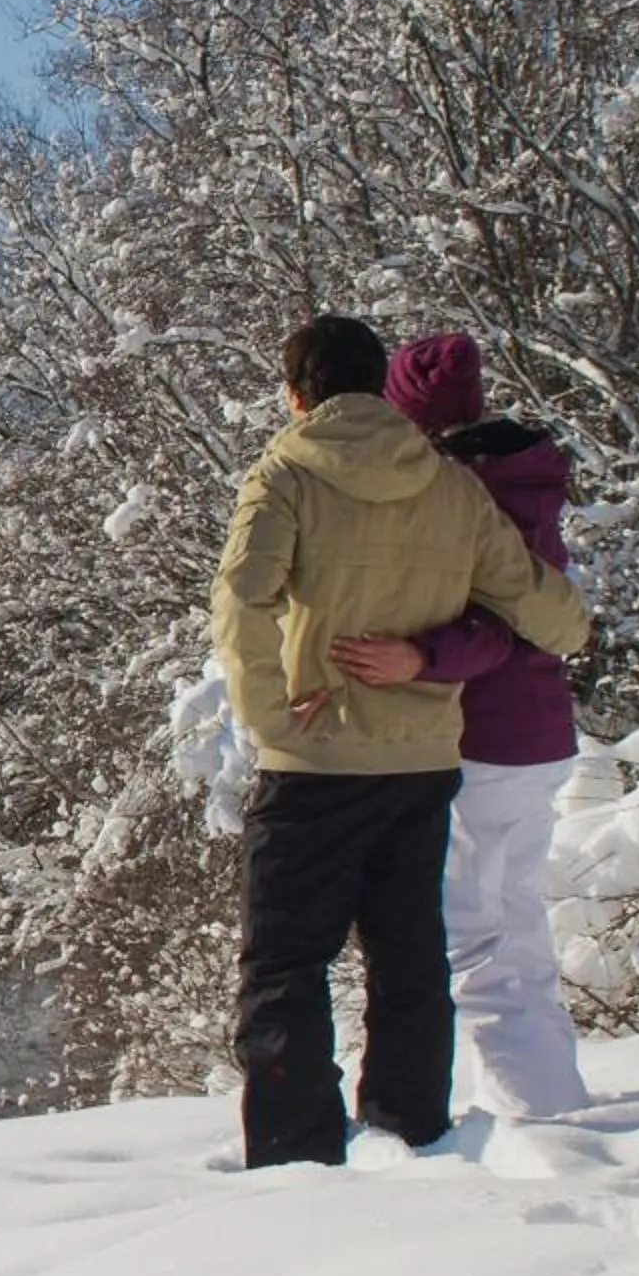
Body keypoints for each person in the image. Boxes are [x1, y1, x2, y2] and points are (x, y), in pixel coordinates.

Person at [209, 316, 590, 1169]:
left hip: (314, 760)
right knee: (409, 951)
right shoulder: (451, 488)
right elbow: (551, 614)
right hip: (421, 760)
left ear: (296, 395)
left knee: (285, 961)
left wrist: (272, 720)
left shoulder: (286, 477)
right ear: (378, 388)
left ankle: (294, 1152)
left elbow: (243, 603)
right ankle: (411, 1128)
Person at [328, 332, 593, 1119]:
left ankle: (534, 1115)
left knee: (473, 938)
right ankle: (552, 1095)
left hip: (485, 738)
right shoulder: (524, 480)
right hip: (538, 735)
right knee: (514, 926)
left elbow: (502, 623)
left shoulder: (468, 492)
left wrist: (422, 656)